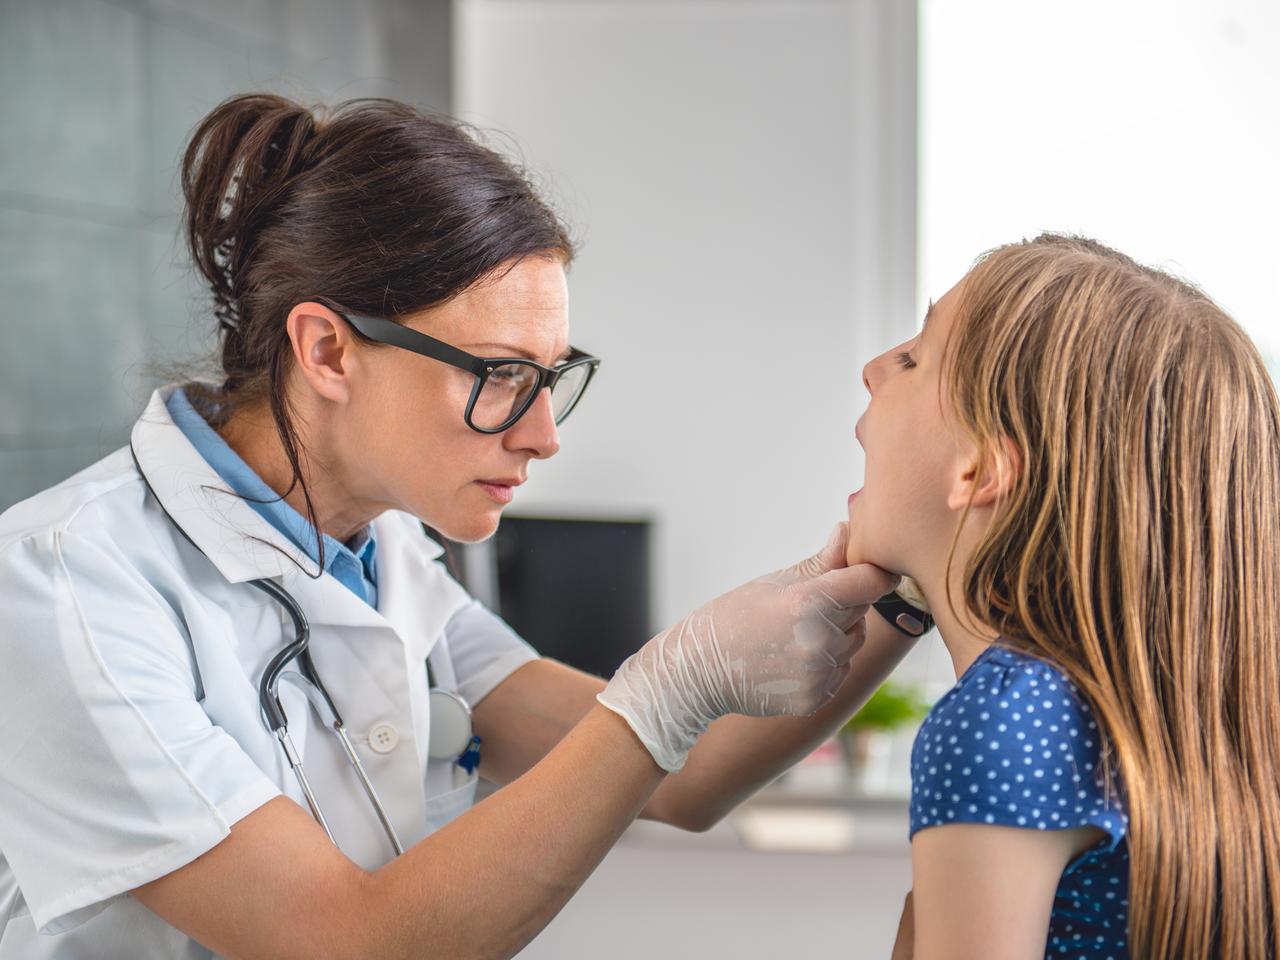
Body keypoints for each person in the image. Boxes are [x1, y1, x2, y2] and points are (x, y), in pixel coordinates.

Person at [0, 92, 922, 960]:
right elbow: (344, 940)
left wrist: (902, 582)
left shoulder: (386, 560)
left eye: (551, 377)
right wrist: (666, 688)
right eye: (499, 375)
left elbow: (690, 777)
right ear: (326, 350)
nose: (543, 436)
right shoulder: (67, 586)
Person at [849, 234, 1280, 959]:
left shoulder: (1000, 719)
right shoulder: (1133, 711)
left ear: (981, 469)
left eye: (914, 358)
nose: (872, 370)